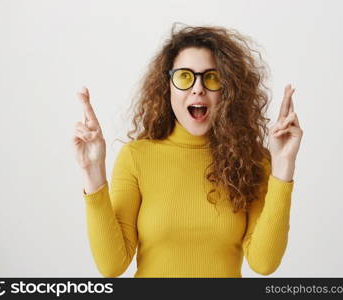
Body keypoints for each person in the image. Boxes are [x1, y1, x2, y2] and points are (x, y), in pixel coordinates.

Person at [72, 24, 303, 278]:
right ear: (167, 86)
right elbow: (111, 265)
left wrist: (282, 167)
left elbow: (264, 263)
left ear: (228, 90)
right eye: (184, 77)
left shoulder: (253, 160)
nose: (198, 88)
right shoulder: (136, 157)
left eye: (212, 77)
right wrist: (92, 172)